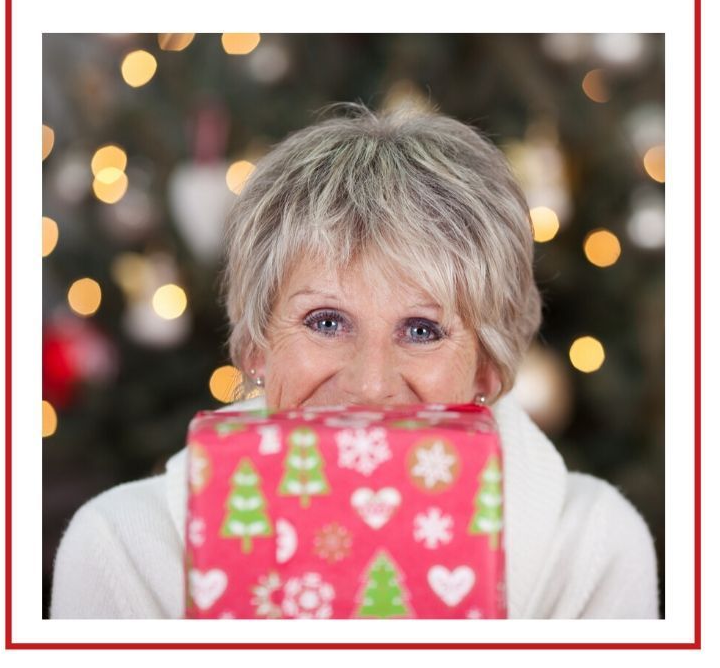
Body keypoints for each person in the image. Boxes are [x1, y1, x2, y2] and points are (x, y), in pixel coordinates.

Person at [50, 106, 659, 619]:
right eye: (326, 322)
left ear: (486, 370)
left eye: (422, 330)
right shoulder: (121, 547)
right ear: (258, 346)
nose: (370, 384)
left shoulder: (594, 546)